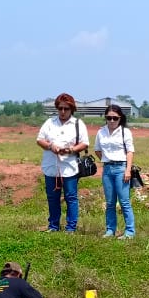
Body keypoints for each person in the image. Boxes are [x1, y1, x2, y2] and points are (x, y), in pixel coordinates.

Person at [35, 93, 89, 233]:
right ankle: (53, 226)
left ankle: (71, 227)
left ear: (72, 109)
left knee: (71, 196)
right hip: (51, 166)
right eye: (60, 108)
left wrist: (71, 150)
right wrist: (50, 146)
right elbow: (40, 140)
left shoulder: (78, 124)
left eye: (66, 109)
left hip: (69, 166)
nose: (63, 112)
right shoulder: (50, 122)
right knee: (53, 197)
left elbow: (84, 143)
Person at [93, 105, 136, 239]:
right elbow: (97, 150)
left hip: (121, 168)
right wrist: (106, 160)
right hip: (107, 169)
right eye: (109, 118)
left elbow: (130, 151)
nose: (112, 121)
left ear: (120, 118)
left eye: (115, 118)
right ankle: (110, 230)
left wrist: (127, 170)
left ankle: (130, 231)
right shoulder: (101, 132)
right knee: (110, 202)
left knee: (124, 202)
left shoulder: (125, 132)